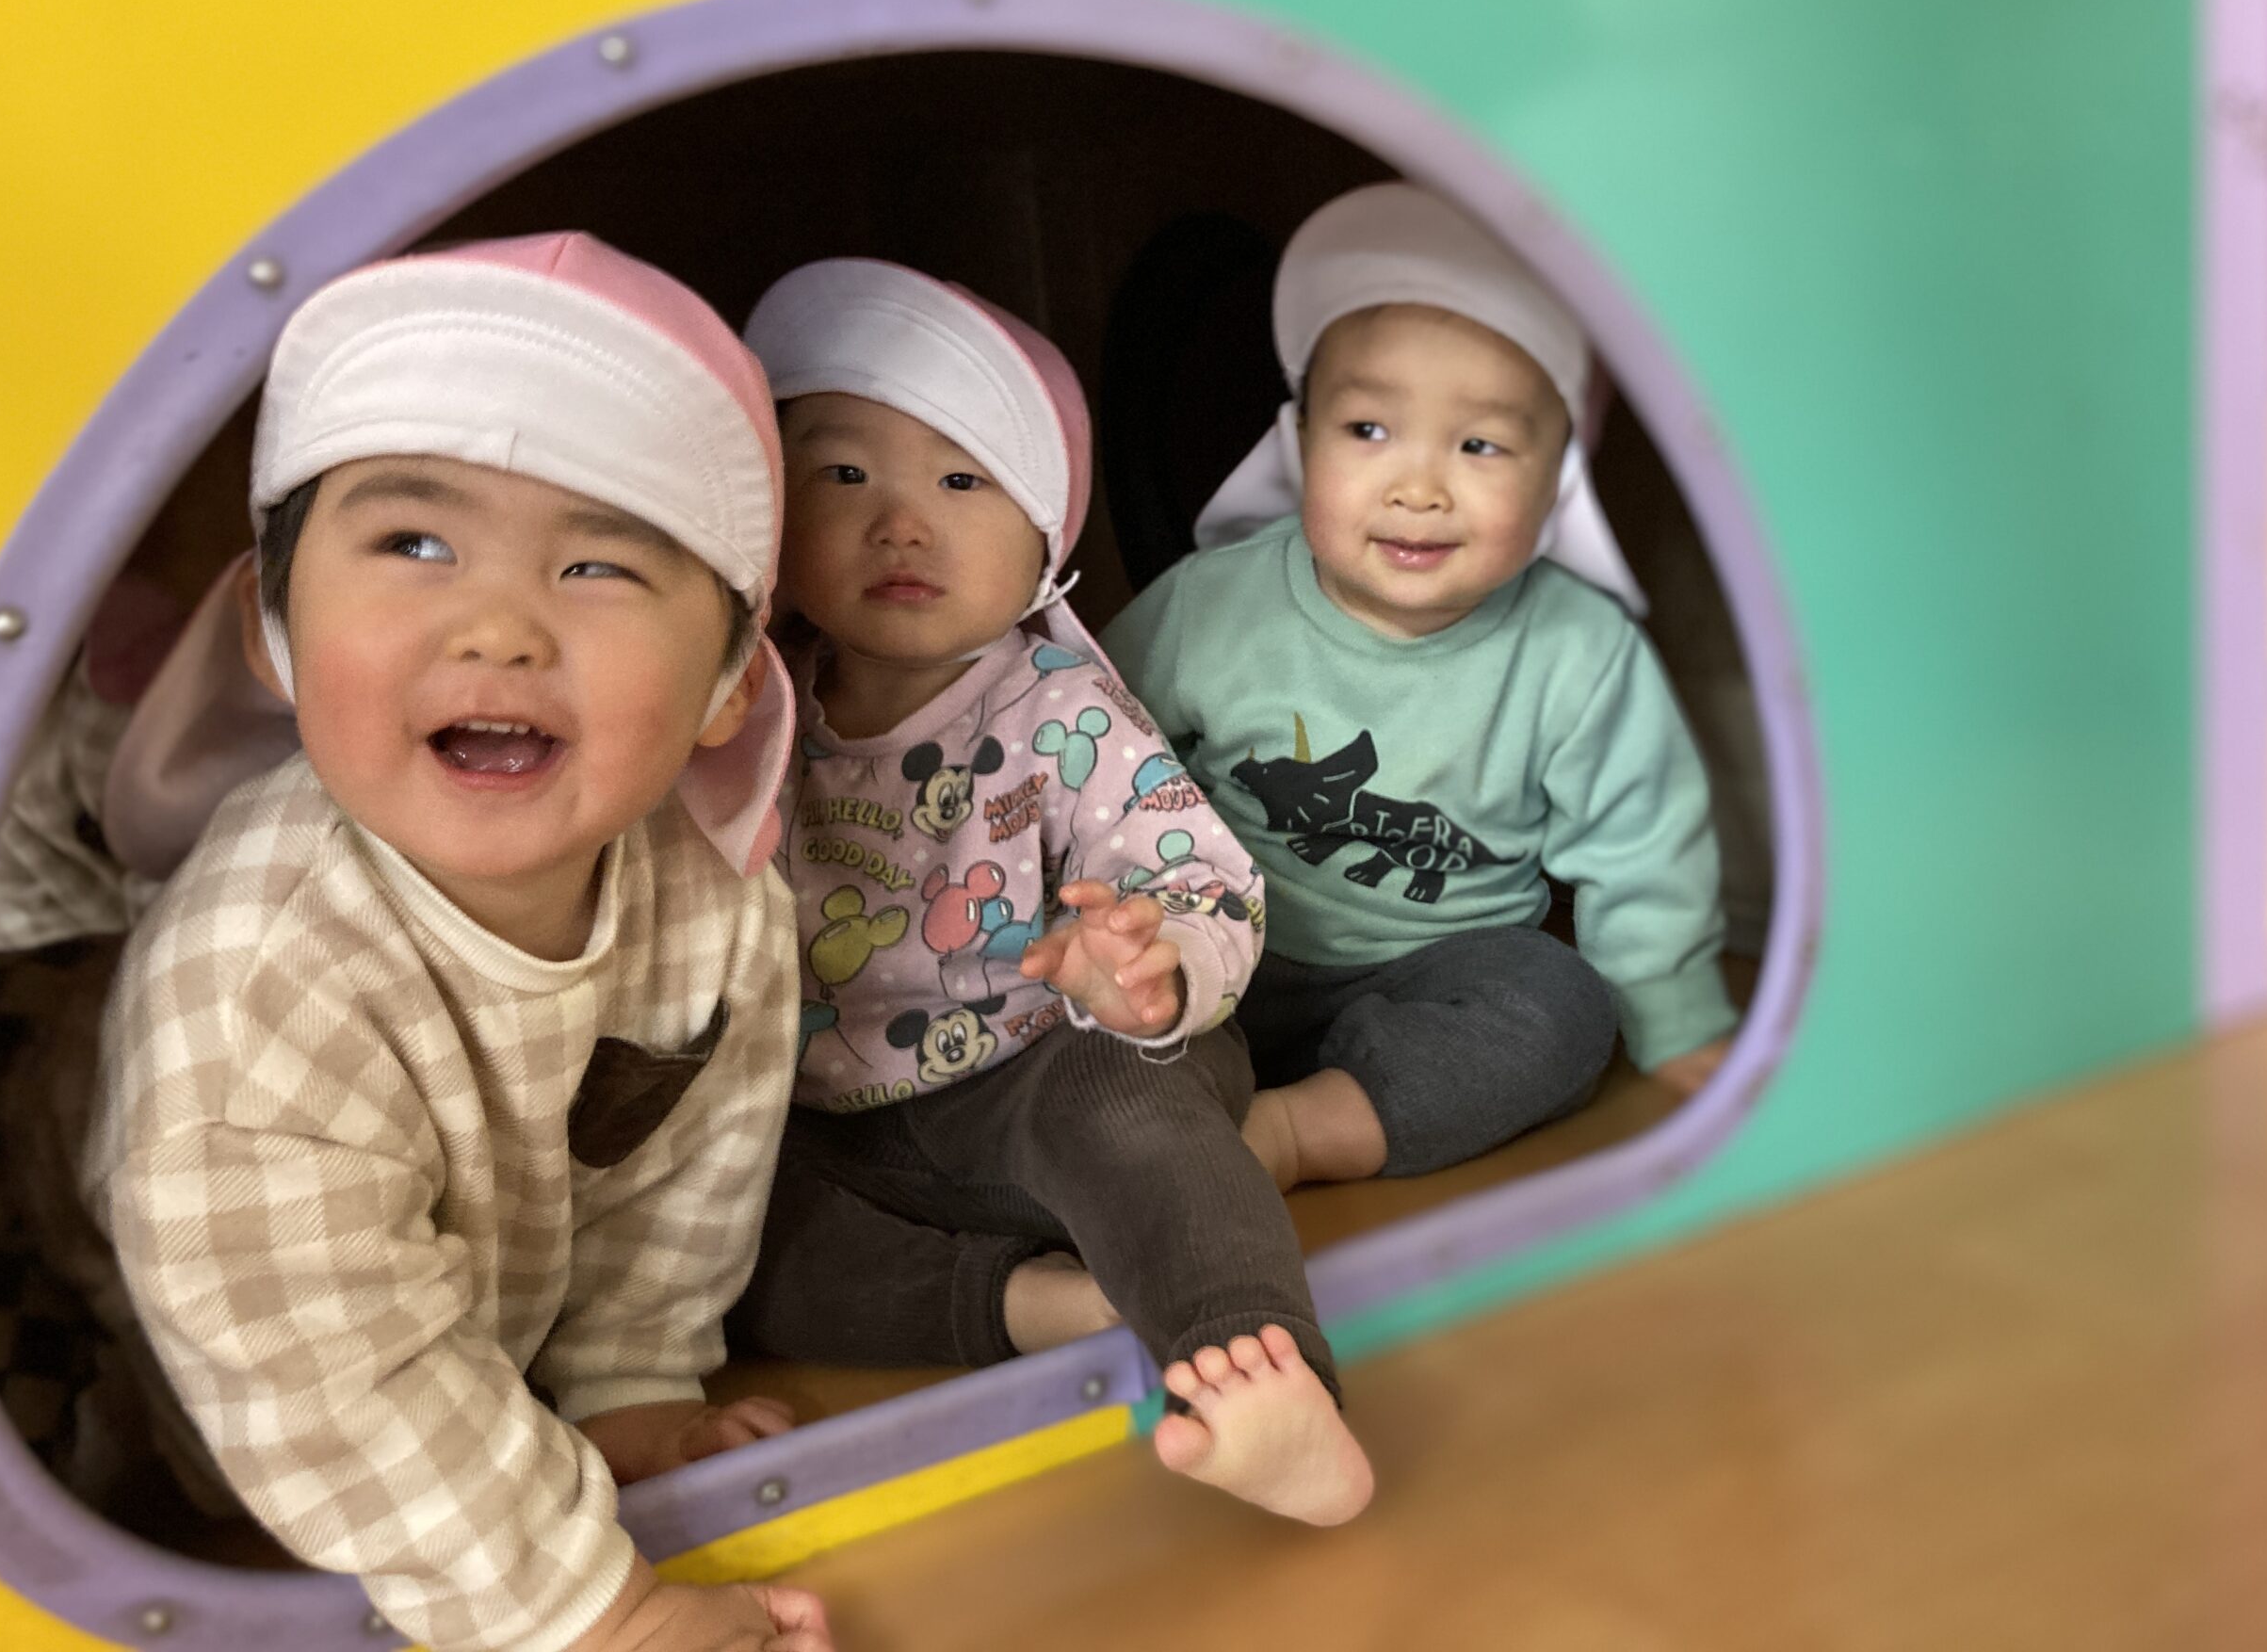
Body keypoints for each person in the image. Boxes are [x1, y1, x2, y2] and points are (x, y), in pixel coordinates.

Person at [73, 234, 831, 1652]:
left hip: (459, 1341)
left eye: (599, 563)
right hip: (196, 1388)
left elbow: (683, 1172)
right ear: (273, 629)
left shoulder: (712, 894)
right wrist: (597, 1615)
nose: (499, 629)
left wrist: (631, 1385)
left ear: (731, 682)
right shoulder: (255, 988)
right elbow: (334, 1379)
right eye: (414, 546)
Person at [725, 257, 1371, 1528]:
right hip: (830, 1122)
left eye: (962, 481)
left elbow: (1194, 869)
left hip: (1042, 1074)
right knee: (724, 1250)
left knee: (1126, 1110)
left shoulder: (1057, 707)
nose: (900, 524)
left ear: (1044, 541)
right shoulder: (747, 701)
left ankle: (1263, 1377)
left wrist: (1148, 966)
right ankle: (1054, 1307)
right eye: (842, 475)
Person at [1101, 183, 1738, 1192]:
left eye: (1479, 445)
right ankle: (1170, 1116)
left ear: (1557, 479)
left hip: (1443, 972)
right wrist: (1124, 930)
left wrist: (1677, 1023)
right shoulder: (1211, 603)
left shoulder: (1577, 649)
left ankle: (1297, 1131)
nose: (1419, 488)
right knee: (1093, 998)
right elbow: (1090, 745)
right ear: (1296, 441)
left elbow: (1639, 844)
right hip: (1220, 939)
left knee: (1565, 1007)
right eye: (1368, 429)